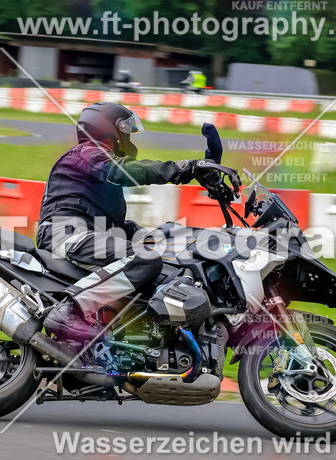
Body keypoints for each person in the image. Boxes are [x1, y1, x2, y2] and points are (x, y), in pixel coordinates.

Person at [37, 101, 230, 349]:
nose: (128, 136)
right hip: (65, 233)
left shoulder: (96, 170)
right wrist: (185, 169)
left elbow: (117, 225)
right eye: (125, 130)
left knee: (163, 245)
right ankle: (70, 310)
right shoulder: (88, 154)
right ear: (105, 130)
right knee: (145, 259)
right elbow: (126, 171)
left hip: (87, 233)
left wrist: (175, 236)